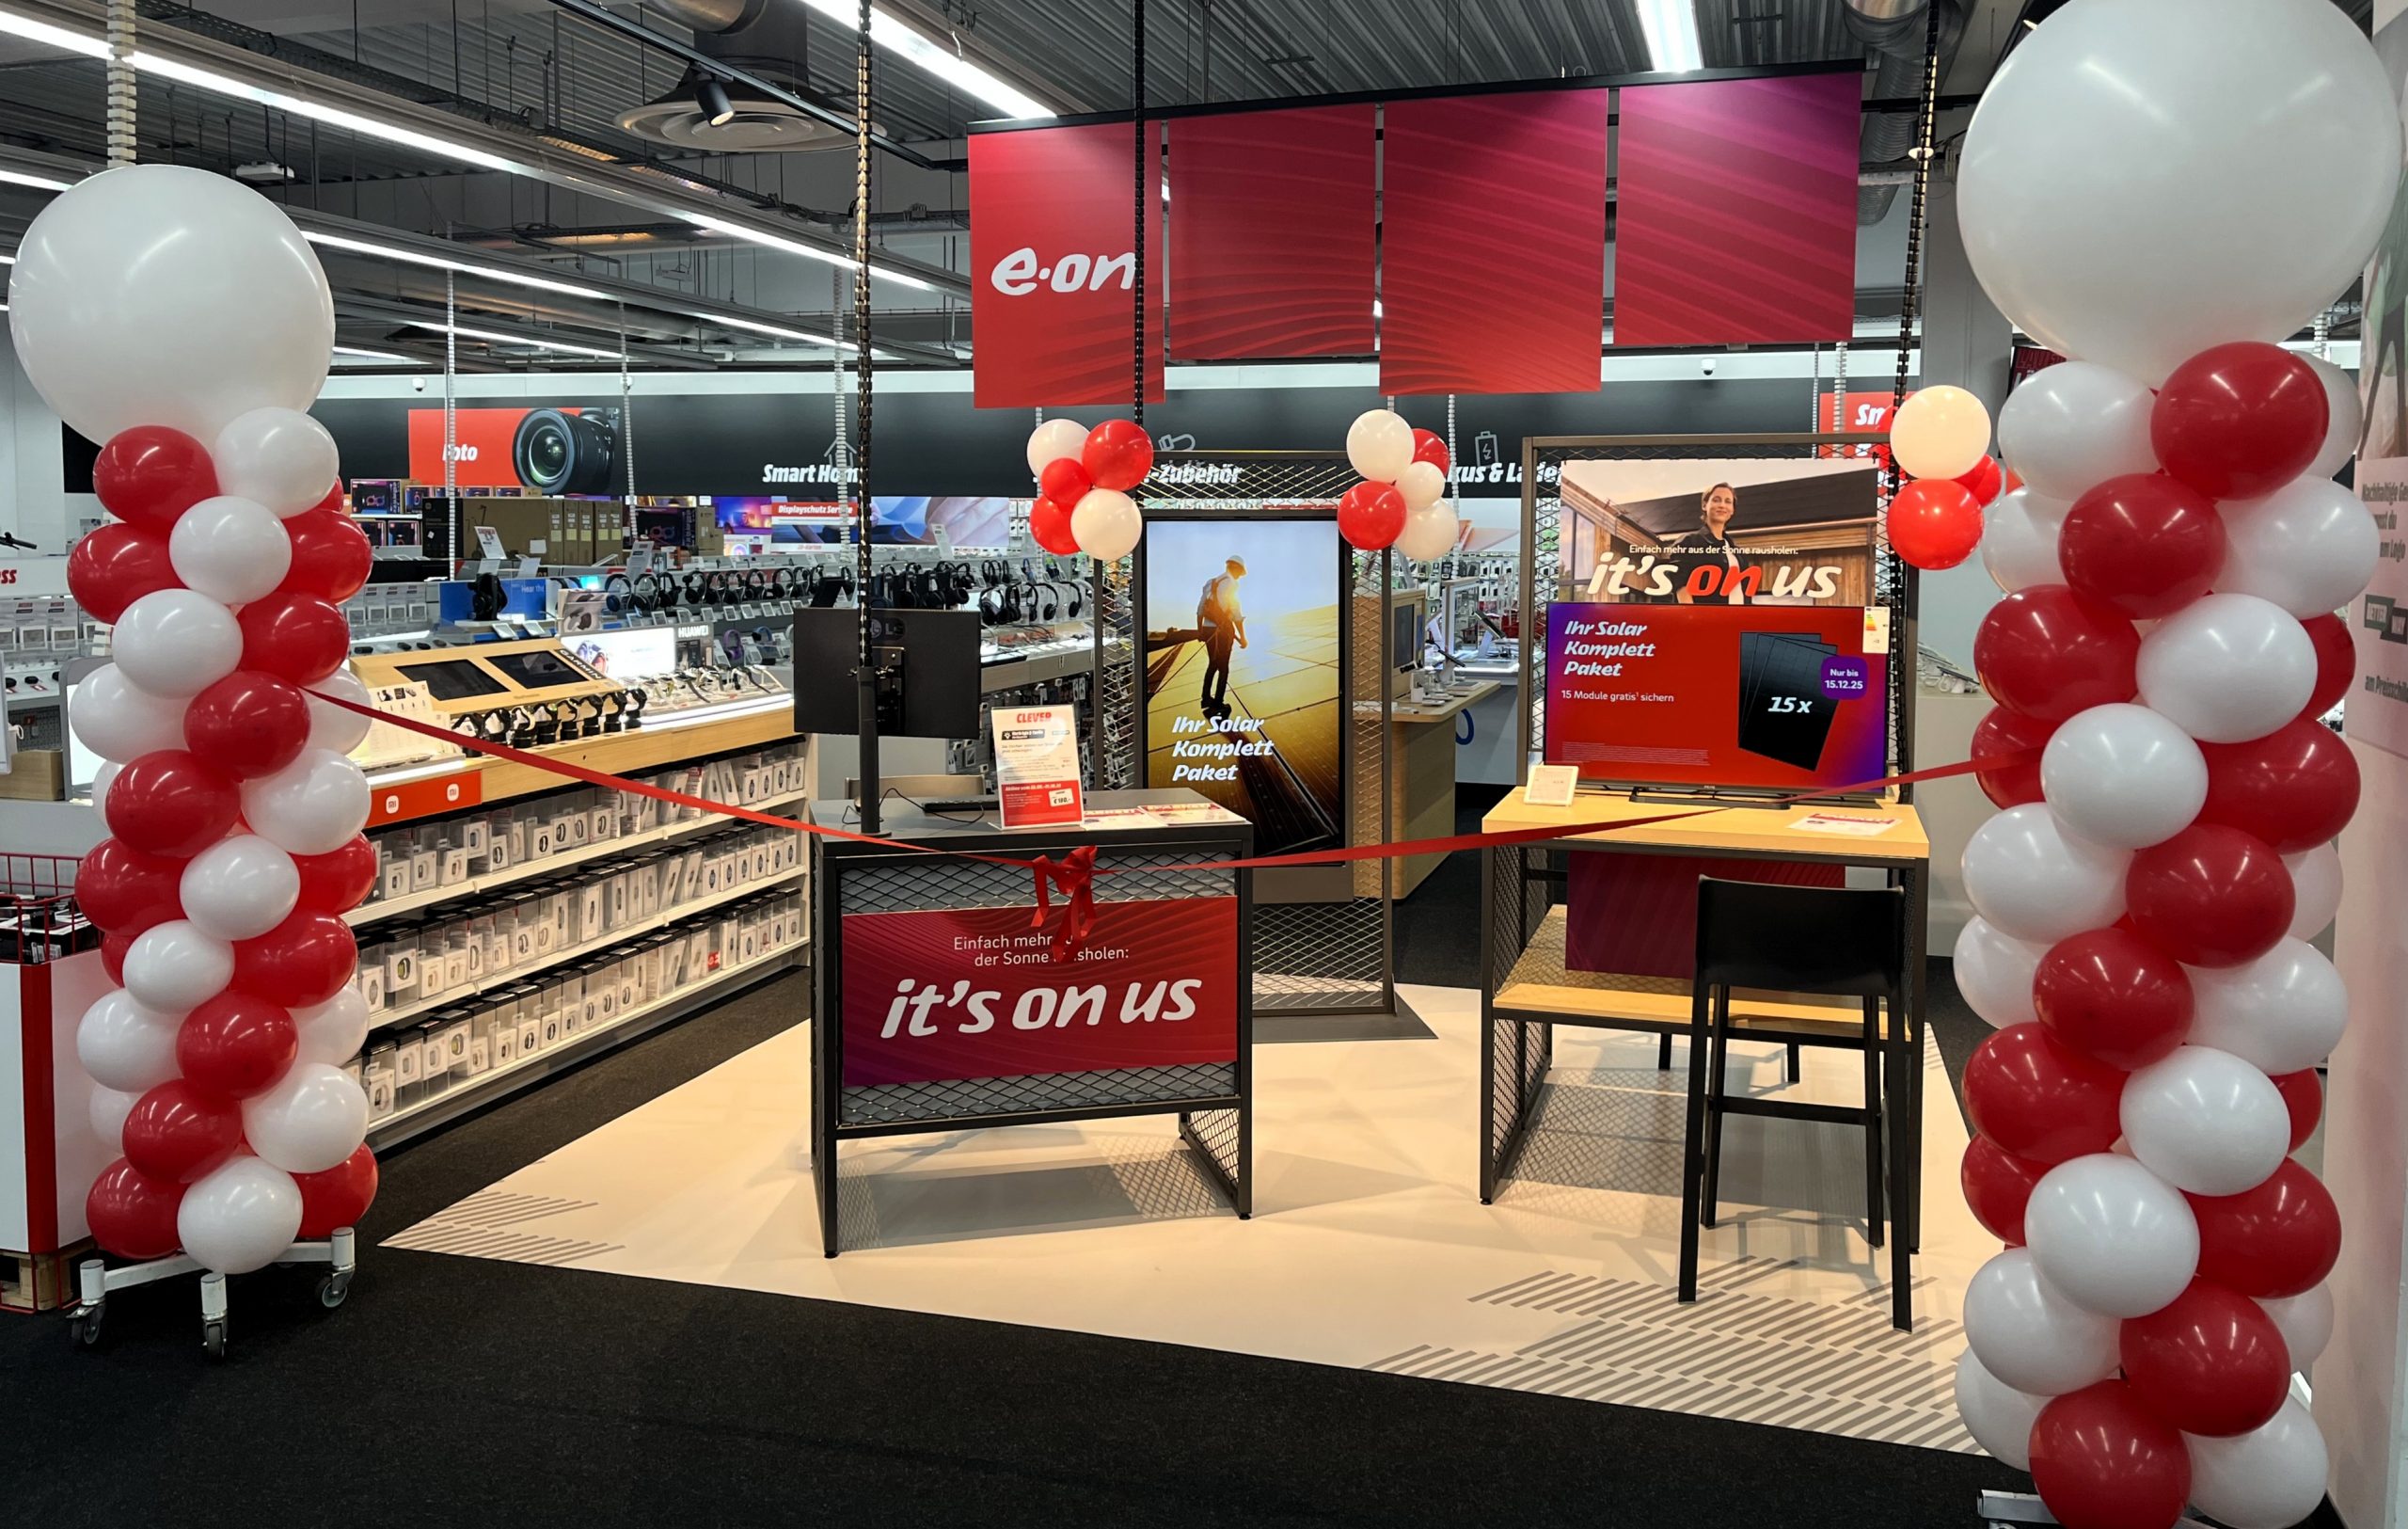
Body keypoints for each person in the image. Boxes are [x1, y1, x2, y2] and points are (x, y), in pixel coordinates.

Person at [1661, 481, 1750, 605]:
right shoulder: (1688, 542)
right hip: (1704, 616)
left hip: (1739, 617)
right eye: (1716, 500)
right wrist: (1694, 616)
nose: (1722, 505)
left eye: (1728, 501)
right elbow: (1681, 587)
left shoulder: (1739, 555)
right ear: (1704, 505)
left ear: (1732, 510)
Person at [1197, 554, 1247, 711]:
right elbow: (1236, 614)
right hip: (1223, 631)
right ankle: (1218, 703)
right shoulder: (1232, 584)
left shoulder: (1211, 582)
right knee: (1223, 667)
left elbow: (1200, 609)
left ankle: (1206, 698)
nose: (1239, 577)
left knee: (1213, 664)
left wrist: (1200, 632)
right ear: (1236, 569)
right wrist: (1243, 637)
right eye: (1240, 573)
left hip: (1208, 629)